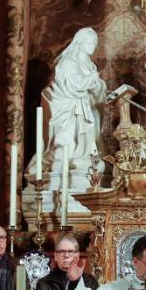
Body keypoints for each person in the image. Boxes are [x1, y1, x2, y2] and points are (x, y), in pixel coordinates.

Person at [28, 27, 109, 184]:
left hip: (85, 104)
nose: (93, 46)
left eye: (95, 43)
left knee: (93, 117)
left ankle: (86, 155)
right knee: (81, 117)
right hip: (68, 104)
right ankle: (69, 155)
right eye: (90, 43)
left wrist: (99, 86)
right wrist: (92, 81)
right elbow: (73, 85)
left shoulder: (91, 65)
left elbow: (95, 88)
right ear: (80, 43)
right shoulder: (68, 62)